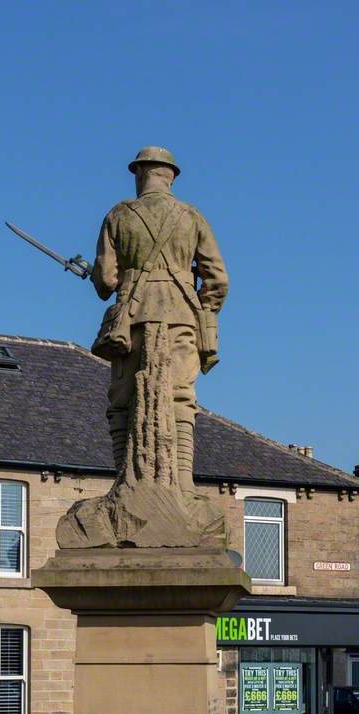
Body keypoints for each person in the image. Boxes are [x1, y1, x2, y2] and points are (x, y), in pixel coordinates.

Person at [91, 147, 229, 492]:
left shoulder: (118, 215)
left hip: (131, 320)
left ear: (140, 174)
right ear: (170, 177)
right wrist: (204, 308)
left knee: (121, 400)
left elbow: (105, 281)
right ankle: (183, 478)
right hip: (181, 317)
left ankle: (124, 477)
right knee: (182, 396)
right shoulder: (191, 216)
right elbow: (217, 279)